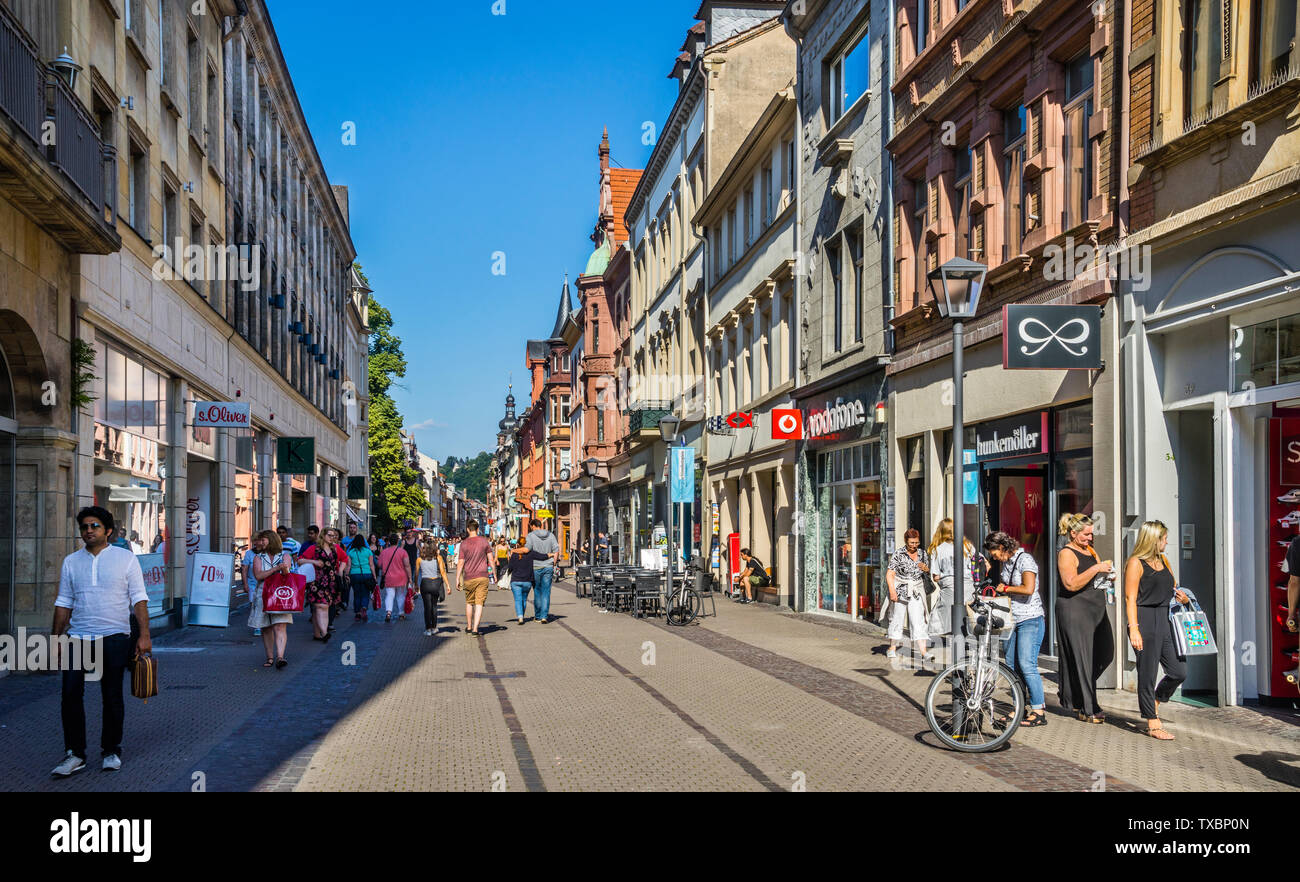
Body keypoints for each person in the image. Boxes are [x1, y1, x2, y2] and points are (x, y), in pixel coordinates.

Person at [50, 507, 151, 777]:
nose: (88, 531)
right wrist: (55, 638)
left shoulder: (126, 559)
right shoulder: (72, 561)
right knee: (70, 695)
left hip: (115, 637)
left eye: (94, 526)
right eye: (84, 527)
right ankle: (75, 754)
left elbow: (139, 599)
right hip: (78, 637)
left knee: (112, 696)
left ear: (107, 530)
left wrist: (144, 635)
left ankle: (111, 750)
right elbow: (63, 602)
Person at [1124, 521, 1190, 740]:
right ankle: (1152, 722)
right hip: (1144, 619)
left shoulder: (1164, 560)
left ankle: (1155, 701)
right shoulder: (1136, 562)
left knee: (1179, 671)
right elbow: (1130, 598)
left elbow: (1173, 586)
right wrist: (1134, 629)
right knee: (1148, 672)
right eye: (1164, 538)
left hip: (1165, 618)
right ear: (1154, 539)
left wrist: (1183, 597)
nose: (1167, 542)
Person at [1055, 513, 1116, 724]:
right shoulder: (1066, 553)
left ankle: (1079, 695)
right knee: (1082, 658)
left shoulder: (1090, 550)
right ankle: (1089, 708)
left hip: (1095, 609)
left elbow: (1094, 578)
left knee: (1106, 652)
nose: (1090, 538)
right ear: (1073, 533)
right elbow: (1070, 584)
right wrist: (1095, 569)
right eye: (1086, 534)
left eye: (1091, 534)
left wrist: (1107, 576)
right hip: (1075, 609)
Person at [985, 531, 1047, 727]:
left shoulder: (1025, 560)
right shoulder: (1007, 562)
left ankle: (1038, 710)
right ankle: (1018, 707)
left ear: (1002, 547)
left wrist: (1006, 589)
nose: (992, 556)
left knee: (1027, 664)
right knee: (1011, 665)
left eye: (993, 551)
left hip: (1031, 619)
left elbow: (1028, 588)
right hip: (1013, 618)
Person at [926, 518, 977, 642]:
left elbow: (936, 576)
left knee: (944, 617)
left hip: (949, 587)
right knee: (968, 616)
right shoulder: (968, 546)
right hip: (969, 586)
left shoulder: (937, 550)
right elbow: (976, 566)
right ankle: (967, 642)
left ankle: (954, 644)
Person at [249, 529, 294, 669]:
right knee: (266, 628)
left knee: (280, 625)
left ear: (271, 540)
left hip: (281, 595)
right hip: (263, 594)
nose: (260, 542)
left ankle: (280, 657)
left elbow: (287, 574)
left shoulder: (285, 556)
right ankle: (269, 657)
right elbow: (259, 576)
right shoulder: (258, 557)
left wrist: (285, 569)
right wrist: (276, 569)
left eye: (263, 540)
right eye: (260, 540)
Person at [885, 529, 930, 661]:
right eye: (911, 543)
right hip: (901, 590)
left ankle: (923, 652)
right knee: (897, 619)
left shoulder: (922, 553)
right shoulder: (899, 554)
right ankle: (892, 648)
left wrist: (926, 569)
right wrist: (892, 591)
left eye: (916, 542)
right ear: (906, 541)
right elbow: (890, 574)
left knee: (919, 621)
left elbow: (927, 571)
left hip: (916, 591)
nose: (914, 545)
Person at [305, 528, 342, 641]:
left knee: (324, 608)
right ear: (323, 536)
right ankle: (324, 633)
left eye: (334, 536)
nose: (332, 538)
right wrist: (314, 562)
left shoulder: (335, 549)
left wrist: (340, 572)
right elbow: (300, 560)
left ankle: (319, 633)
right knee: (321, 606)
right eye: (329, 535)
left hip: (330, 582)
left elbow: (345, 558)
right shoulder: (314, 549)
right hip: (316, 582)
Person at [457, 519, 493, 636]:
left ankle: (468, 626)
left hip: (469, 577)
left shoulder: (464, 544)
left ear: (468, 529)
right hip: (482, 576)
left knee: (469, 602)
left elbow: (461, 562)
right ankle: (475, 629)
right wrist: (494, 573)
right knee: (479, 603)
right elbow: (490, 558)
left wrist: (457, 578)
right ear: (477, 529)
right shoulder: (484, 541)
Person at [525, 518, 560, 624]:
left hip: (535, 566)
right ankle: (544, 616)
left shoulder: (530, 536)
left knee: (537, 591)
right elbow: (556, 550)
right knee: (546, 592)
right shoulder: (551, 535)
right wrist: (553, 563)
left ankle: (538, 616)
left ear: (533, 526)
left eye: (531, 527)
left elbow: (527, 549)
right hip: (548, 566)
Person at [376, 533, 413, 623]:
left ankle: (388, 612)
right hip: (401, 577)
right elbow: (407, 566)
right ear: (397, 541)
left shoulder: (384, 552)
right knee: (400, 595)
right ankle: (401, 613)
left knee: (389, 595)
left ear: (389, 541)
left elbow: (379, 565)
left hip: (389, 577)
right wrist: (410, 578)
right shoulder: (402, 552)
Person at [417, 540, 450, 637]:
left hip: (425, 583)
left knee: (427, 607)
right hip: (436, 583)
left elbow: (416, 574)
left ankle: (428, 629)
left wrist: (415, 584)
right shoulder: (438, 558)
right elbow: (443, 572)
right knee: (434, 606)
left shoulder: (419, 559)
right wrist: (448, 585)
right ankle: (434, 627)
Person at [347, 534, 377, 622]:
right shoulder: (368, 551)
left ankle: (357, 612)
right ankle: (364, 607)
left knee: (356, 594)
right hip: (366, 574)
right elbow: (371, 565)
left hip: (354, 575)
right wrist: (374, 575)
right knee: (365, 593)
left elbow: (348, 565)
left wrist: (346, 575)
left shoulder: (351, 552)